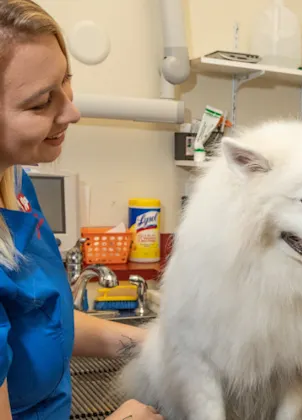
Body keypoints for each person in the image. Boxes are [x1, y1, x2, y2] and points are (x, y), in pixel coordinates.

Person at [0, 1, 163, 418]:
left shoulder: (16, 185)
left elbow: (47, 323)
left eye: (66, 80)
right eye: (40, 104)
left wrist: (159, 343)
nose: (72, 111)